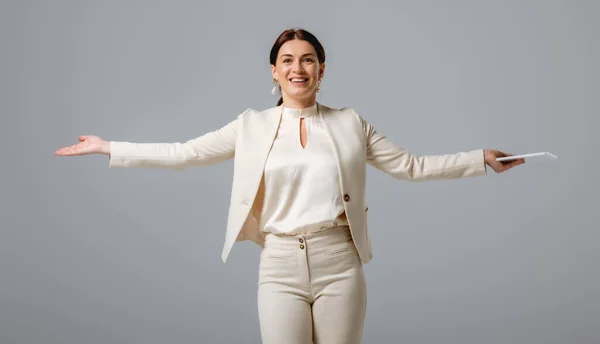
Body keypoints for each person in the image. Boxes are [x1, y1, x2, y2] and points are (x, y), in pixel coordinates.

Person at [55, 28, 525, 343]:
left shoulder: (349, 123)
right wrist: (108, 146)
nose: (297, 68)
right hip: (278, 264)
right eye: (287, 60)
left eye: (307, 60)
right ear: (274, 72)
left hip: (339, 261)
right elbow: (185, 153)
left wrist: (479, 160)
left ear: (322, 69)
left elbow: (411, 166)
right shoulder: (251, 125)